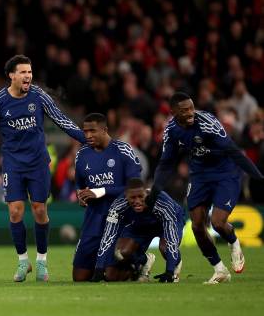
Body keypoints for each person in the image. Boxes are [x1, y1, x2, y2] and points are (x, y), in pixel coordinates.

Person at [0, 54, 86, 282]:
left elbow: (61, 119)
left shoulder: (38, 96)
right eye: (23, 72)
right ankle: (23, 261)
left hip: (38, 162)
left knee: (39, 210)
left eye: (30, 72)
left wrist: (86, 138)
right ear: (12, 76)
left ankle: (42, 262)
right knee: (15, 211)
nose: (28, 76)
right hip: (13, 164)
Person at [151, 91, 264, 284]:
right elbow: (166, 163)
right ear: (173, 112)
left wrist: (258, 176)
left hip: (225, 173)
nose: (190, 113)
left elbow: (233, 151)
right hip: (199, 176)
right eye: (184, 110)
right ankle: (219, 269)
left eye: (192, 108)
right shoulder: (171, 130)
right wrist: (156, 188)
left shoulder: (207, 122)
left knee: (218, 223)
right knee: (197, 225)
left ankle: (233, 241)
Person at [73, 113, 143, 281]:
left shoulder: (123, 150)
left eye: (92, 131)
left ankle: (139, 263)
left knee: (111, 276)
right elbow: (80, 185)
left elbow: (135, 188)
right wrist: (81, 195)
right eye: (85, 131)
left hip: (119, 218)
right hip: (93, 218)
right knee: (80, 278)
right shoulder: (81, 155)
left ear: (105, 130)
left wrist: (100, 191)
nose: (88, 136)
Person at [94, 178, 184, 283]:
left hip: (168, 222)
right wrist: (99, 268)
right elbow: (108, 236)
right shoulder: (118, 206)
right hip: (141, 223)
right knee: (120, 252)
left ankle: (176, 264)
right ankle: (145, 260)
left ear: (147, 193)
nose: (137, 201)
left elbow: (171, 237)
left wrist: (169, 270)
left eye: (141, 197)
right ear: (126, 196)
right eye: (132, 197)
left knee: (166, 249)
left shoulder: (162, 203)